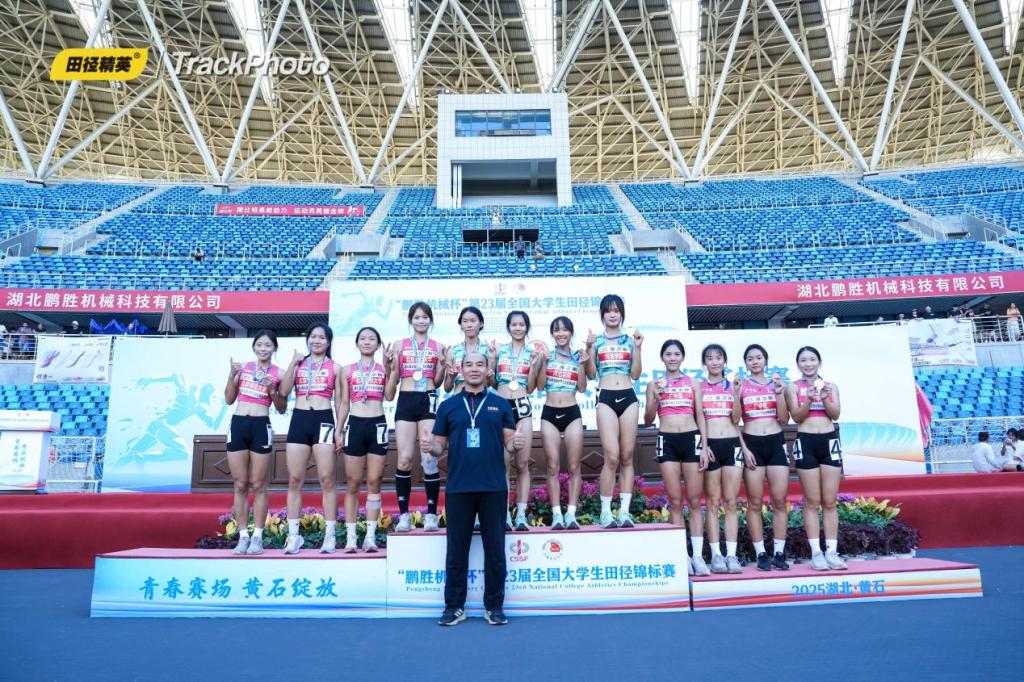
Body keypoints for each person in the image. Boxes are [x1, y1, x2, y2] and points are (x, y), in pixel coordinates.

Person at [430, 352, 520, 627]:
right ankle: (454, 606)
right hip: (459, 487)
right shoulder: (448, 406)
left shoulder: (500, 404)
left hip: (493, 487)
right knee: (456, 550)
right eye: (468, 365)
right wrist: (430, 448)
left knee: (495, 550)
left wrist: (516, 444)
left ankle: (494, 606)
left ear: (488, 370)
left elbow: (509, 443)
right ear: (461, 370)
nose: (474, 369)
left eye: (480, 364)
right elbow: (438, 446)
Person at [644, 340, 710, 575]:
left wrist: (705, 446)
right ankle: (681, 556)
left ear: (682, 357)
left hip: (691, 439)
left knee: (694, 501)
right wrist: (656, 397)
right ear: (662, 358)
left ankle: (698, 556)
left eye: (676, 354)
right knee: (674, 501)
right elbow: (648, 419)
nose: (672, 358)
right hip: (667, 440)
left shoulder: (693, 383)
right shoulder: (654, 384)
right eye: (668, 354)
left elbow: (700, 414)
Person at [278, 323, 344, 554]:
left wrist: (339, 430)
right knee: (295, 479)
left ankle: (330, 535)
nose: (316, 341)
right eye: (313, 337)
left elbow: (340, 402)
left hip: (324, 420)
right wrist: (292, 364)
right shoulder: (299, 364)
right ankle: (293, 536)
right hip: (299, 419)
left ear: (328, 342)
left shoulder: (336, 367)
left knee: (327, 479)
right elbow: (283, 392)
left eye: (321, 337)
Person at [224, 330, 287, 556]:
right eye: (259, 344)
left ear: (274, 348)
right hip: (239, 424)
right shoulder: (243, 368)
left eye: (268, 345)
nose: (263, 348)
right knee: (240, 484)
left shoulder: (279, 373)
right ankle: (243, 536)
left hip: (261, 425)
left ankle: (258, 537)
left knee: (259, 484)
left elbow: (282, 407)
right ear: (254, 347)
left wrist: (272, 390)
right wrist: (231, 376)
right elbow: (229, 399)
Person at [385, 302, 446, 532]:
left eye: (425, 317)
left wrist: (442, 365)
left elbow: (438, 382)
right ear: (411, 320)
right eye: (417, 317)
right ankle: (404, 516)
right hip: (406, 399)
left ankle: (431, 514)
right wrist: (389, 365)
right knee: (404, 459)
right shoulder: (399, 345)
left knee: (429, 458)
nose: (421, 321)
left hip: (428, 398)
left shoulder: (439, 347)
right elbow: (393, 379)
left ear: (431, 320)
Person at [785, 346, 845, 570]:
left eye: (812, 359)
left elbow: (835, 414)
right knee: (811, 502)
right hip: (806, 441)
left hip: (829, 441)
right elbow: (796, 416)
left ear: (819, 362)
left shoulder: (831, 386)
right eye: (803, 360)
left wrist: (825, 398)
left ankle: (832, 552)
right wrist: (809, 400)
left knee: (830, 501)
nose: (808, 364)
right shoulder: (793, 387)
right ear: (798, 364)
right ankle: (816, 553)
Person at [585, 294, 642, 529]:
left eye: (616, 310)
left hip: (628, 396)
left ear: (622, 314)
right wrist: (588, 348)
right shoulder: (596, 341)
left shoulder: (630, 340)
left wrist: (638, 348)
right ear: (602, 314)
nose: (612, 314)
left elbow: (636, 374)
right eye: (608, 310)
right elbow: (591, 374)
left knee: (627, 456)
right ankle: (606, 511)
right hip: (606, 396)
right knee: (612, 456)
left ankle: (625, 511)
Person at [699, 344, 754, 574]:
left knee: (731, 502)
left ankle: (731, 555)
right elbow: (699, 419)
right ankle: (716, 555)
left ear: (725, 361)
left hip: (732, 444)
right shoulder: (699, 387)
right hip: (711, 446)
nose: (715, 362)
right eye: (710, 358)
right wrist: (704, 446)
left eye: (719, 358)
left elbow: (736, 419)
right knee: (712, 503)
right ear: (704, 363)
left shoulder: (733, 386)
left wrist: (737, 394)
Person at [338, 327, 394, 552]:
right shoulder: (347, 370)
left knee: (374, 481)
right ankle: (351, 537)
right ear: (357, 343)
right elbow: (344, 403)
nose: (367, 342)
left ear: (378, 344)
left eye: (372, 339)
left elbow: (390, 395)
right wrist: (338, 430)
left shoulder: (383, 369)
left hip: (377, 424)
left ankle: (370, 536)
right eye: (363, 338)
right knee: (352, 483)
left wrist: (391, 369)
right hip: (355, 424)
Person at [736, 343, 790, 571]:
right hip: (751, 444)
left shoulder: (777, 384)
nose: (755, 361)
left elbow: (784, 419)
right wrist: (744, 449)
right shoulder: (741, 385)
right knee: (755, 502)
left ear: (765, 360)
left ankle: (779, 552)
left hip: (775, 443)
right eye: (750, 358)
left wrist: (779, 393)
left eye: (758, 357)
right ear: (746, 363)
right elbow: (734, 420)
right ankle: (761, 553)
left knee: (779, 500)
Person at [536, 316, 589, 530]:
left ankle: (571, 514)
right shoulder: (547, 355)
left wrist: (583, 365)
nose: (561, 334)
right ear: (552, 333)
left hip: (571, 412)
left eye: (565, 330)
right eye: (557, 330)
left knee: (574, 466)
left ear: (571, 333)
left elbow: (582, 388)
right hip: (550, 412)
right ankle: (557, 514)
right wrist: (544, 363)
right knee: (552, 466)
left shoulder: (578, 357)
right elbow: (540, 386)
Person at [491, 311, 541, 531]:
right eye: (514, 324)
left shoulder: (533, 353)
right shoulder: (499, 351)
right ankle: (503, 514)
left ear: (527, 327)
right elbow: (492, 382)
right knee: (502, 464)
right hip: (501, 406)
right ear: (508, 327)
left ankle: (520, 514)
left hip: (522, 406)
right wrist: (491, 360)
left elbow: (531, 387)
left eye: (522, 324)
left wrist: (533, 366)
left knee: (522, 464)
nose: (518, 328)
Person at [444, 306, 490, 396]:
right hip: (458, 398)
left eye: (473, 321)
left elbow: (489, 384)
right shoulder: (453, 351)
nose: (469, 325)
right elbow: (447, 388)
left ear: (481, 324)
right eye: (465, 321)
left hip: (481, 398)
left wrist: (491, 359)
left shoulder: (488, 350)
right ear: (461, 325)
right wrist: (451, 377)